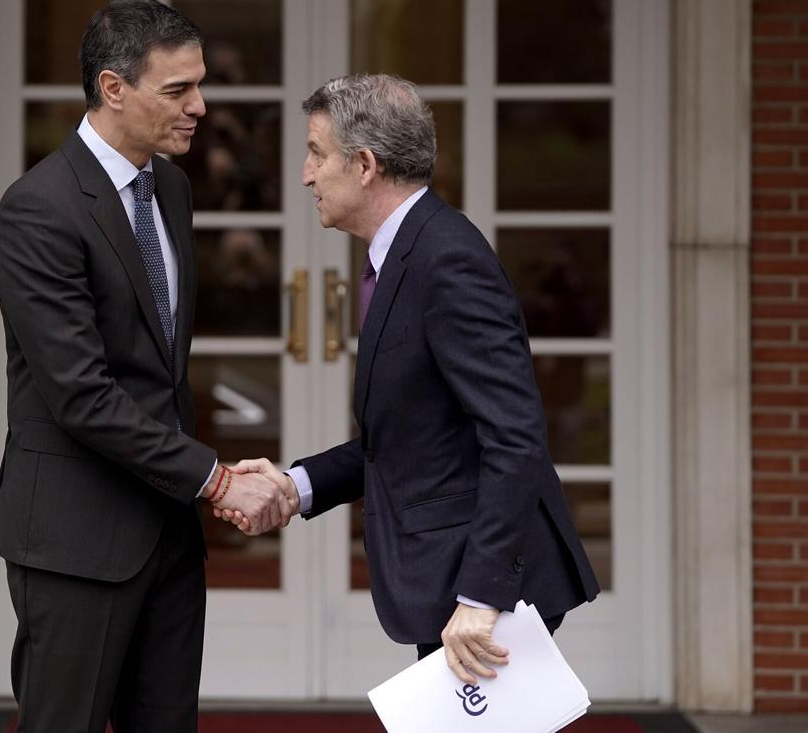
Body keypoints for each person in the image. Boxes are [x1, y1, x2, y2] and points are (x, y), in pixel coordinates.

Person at [0, 0, 296, 732]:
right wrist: (217, 480)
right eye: (178, 89)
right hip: (77, 540)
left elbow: (159, 370)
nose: (200, 106)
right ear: (113, 88)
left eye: (200, 85)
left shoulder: (172, 189)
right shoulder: (38, 209)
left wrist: (193, 488)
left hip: (169, 532)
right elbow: (82, 395)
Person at [220, 74, 600, 686]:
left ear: (365, 165)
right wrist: (296, 487)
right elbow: (412, 434)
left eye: (317, 153)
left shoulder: (446, 259)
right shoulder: (403, 254)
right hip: (452, 579)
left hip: (482, 592)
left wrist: (481, 596)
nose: (306, 175)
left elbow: (515, 437)